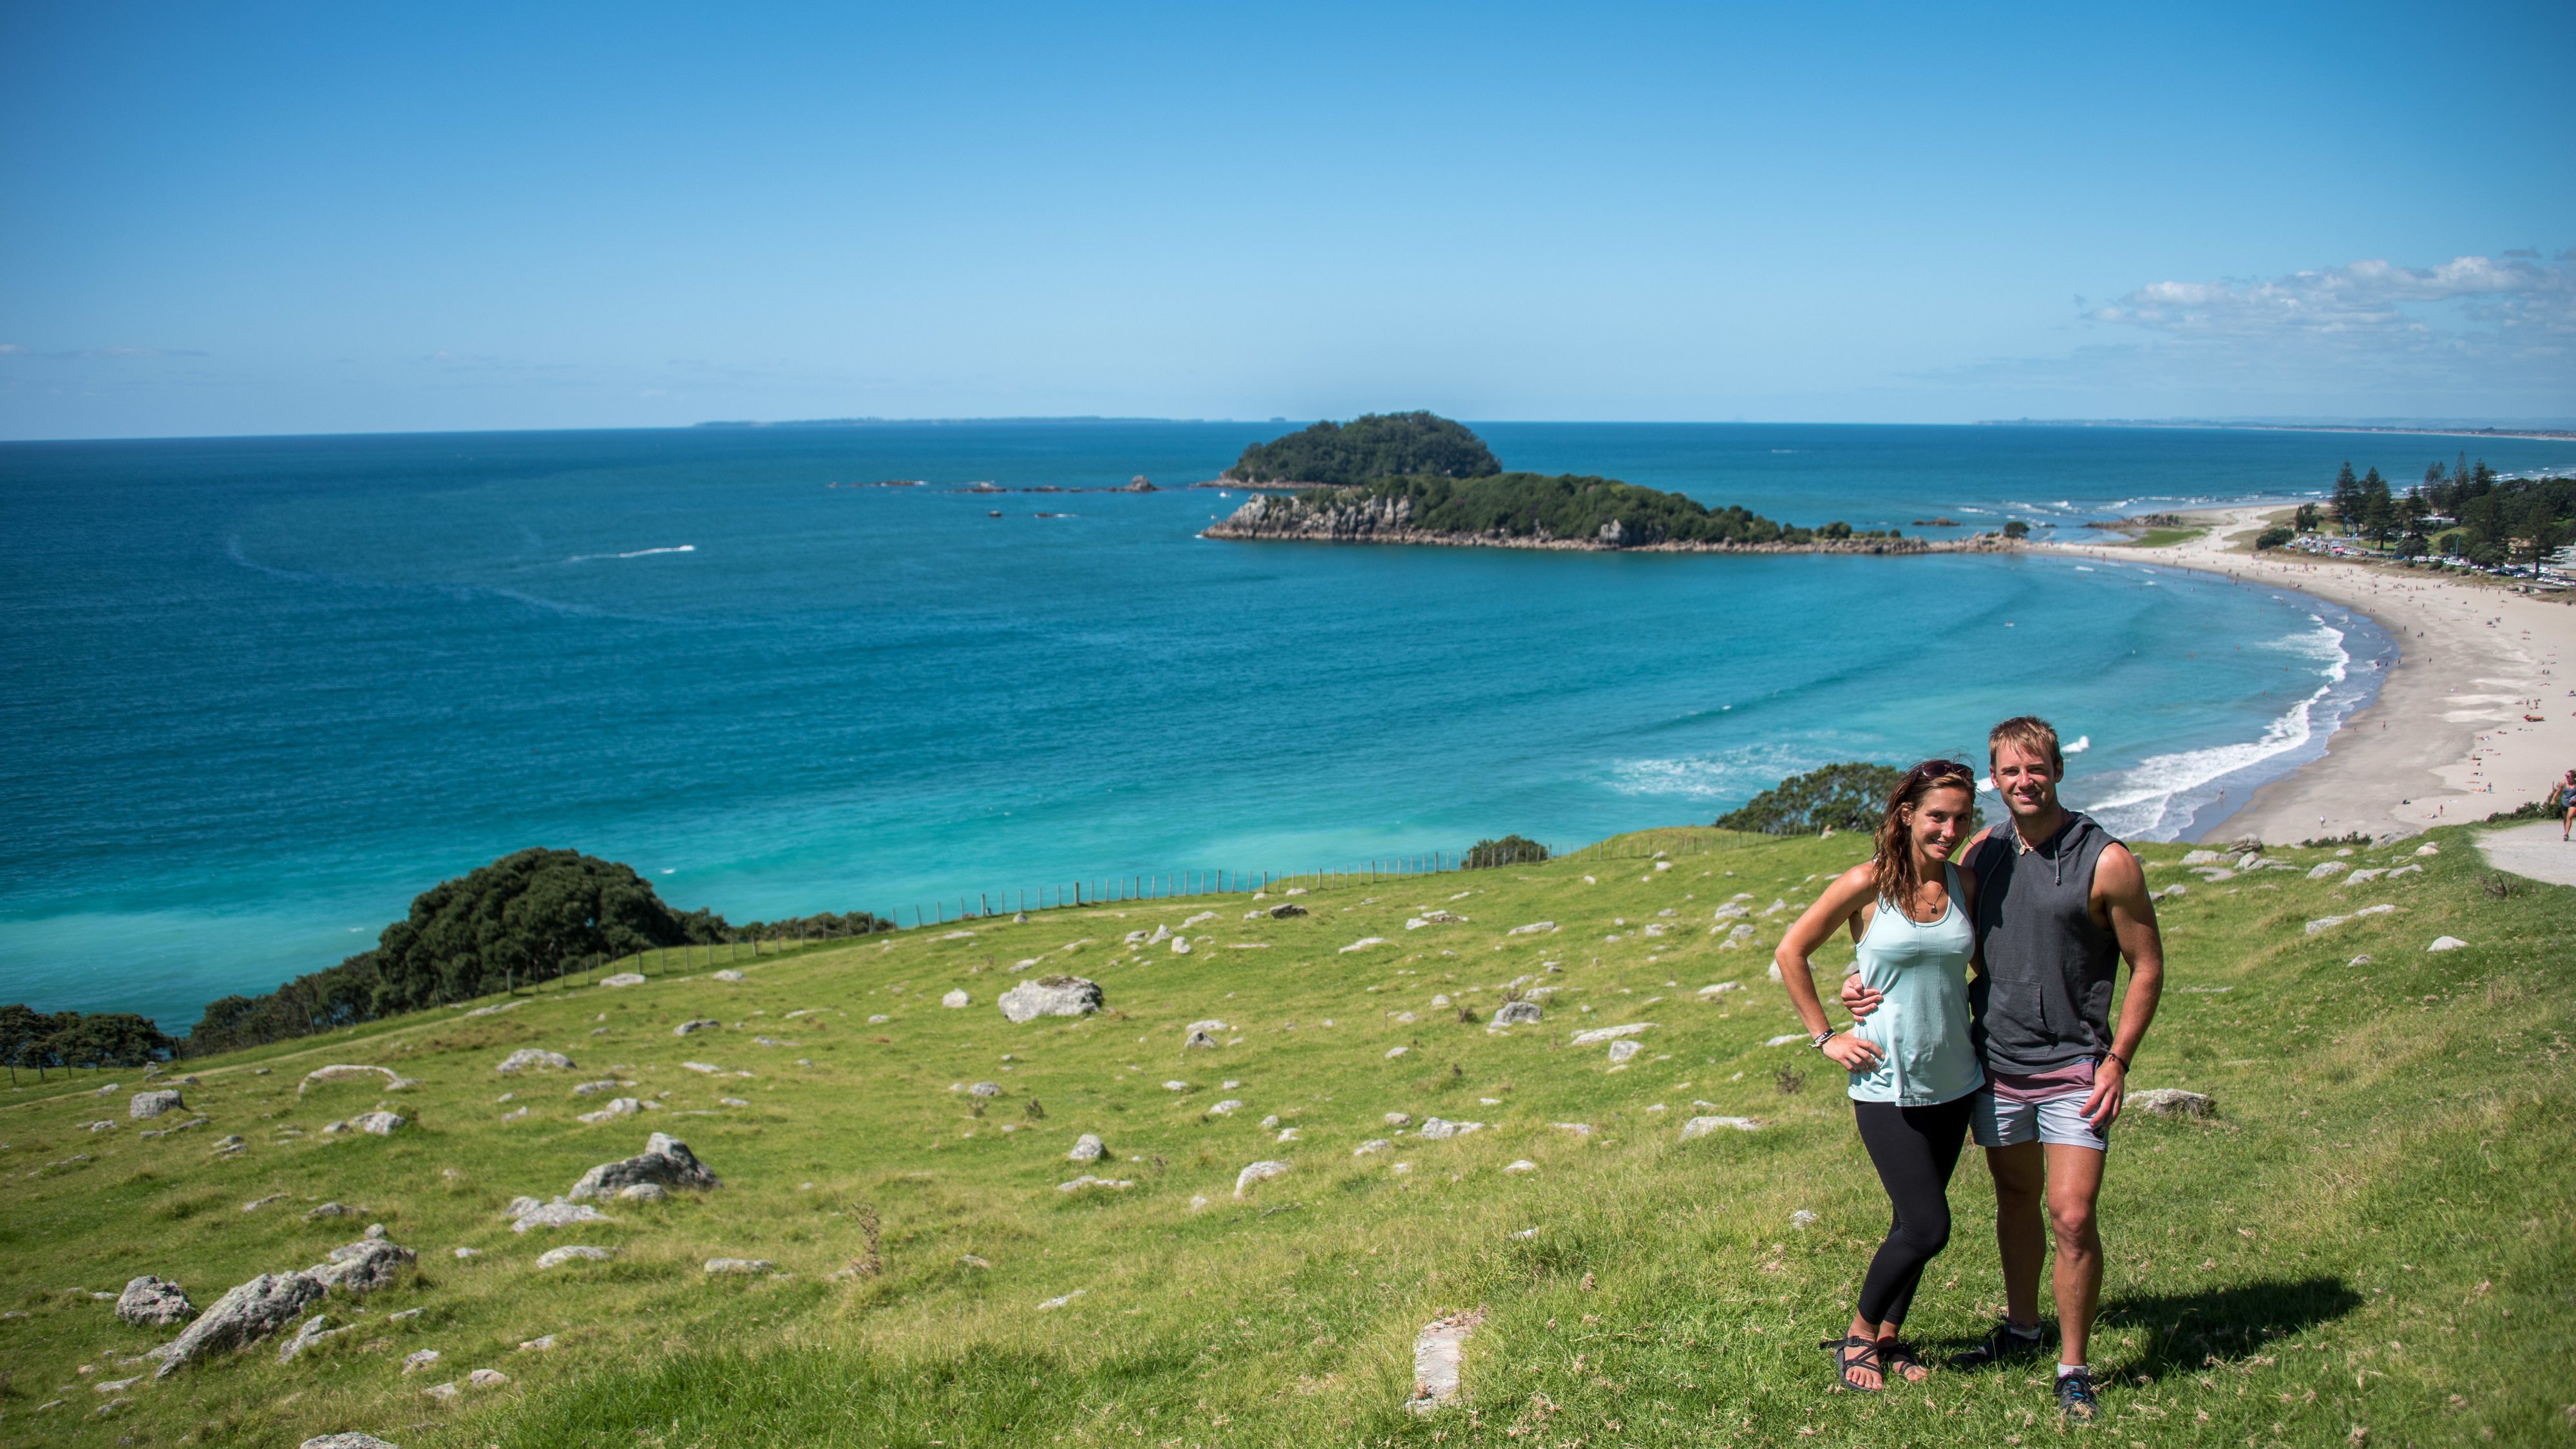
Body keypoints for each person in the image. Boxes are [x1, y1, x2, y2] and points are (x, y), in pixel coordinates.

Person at [1842, 716, 2165, 1421]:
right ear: (1995, 779)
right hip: (1994, 1063)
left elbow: (2147, 964)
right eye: (2010, 771)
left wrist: (2117, 1060)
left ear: (2058, 770)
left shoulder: (2107, 860)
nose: (2025, 781)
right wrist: (1858, 980)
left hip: (2077, 1065)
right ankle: (2021, 1332)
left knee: (2071, 1216)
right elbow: (1924, 934)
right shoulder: (1983, 853)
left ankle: (2073, 1369)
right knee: (2015, 1200)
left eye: (2036, 768)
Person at [1775, 759, 1986, 1394]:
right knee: (1928, 1226)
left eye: (1961, 818)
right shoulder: (1865, 884)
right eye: (1937, 816)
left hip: (1955, 1077)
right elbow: (1790, 951)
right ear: (1906, 815)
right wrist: (1826, 1036)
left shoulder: (1965, 883)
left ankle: (1890, 1336)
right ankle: (1859, 1335)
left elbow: (1976, 969)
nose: (1949, 830)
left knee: (1909, 1223)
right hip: (1885, 1081)